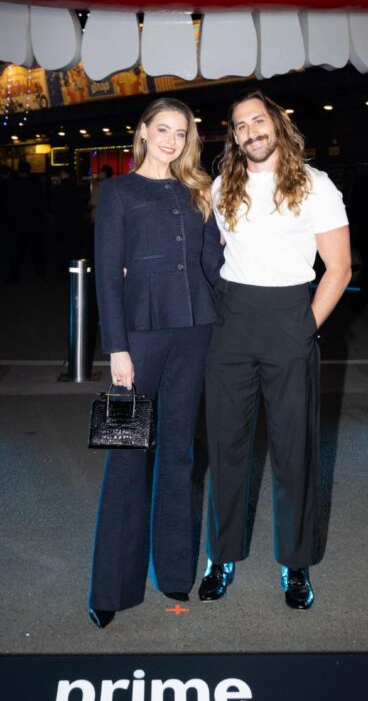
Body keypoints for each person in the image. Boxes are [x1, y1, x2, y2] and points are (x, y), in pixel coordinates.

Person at [198, 90, 351, 610]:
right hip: (232, 321)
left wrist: (304, 327)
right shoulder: (223, 185)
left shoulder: (316, 185)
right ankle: (221, 556)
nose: (250, 132)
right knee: (226, 446)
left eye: (257, 121)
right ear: (234, 136)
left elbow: (339, 269)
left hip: (289, 317)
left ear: (278, 124)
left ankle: (296, 562)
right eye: (240, 126)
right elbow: (215, 254)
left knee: (293, 450)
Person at [89, 97, 223, 628]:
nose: (171, 140)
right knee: (125, 453)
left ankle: (173, 572)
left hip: (195, 332)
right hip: (138, 340)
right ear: (143, 131)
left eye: (181, 132)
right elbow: (106, 273)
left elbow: (213, 262)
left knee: (179, 453)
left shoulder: (198, 190)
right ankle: (111, 588)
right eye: (162, 129)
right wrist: (116, 348)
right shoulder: (119, 191)